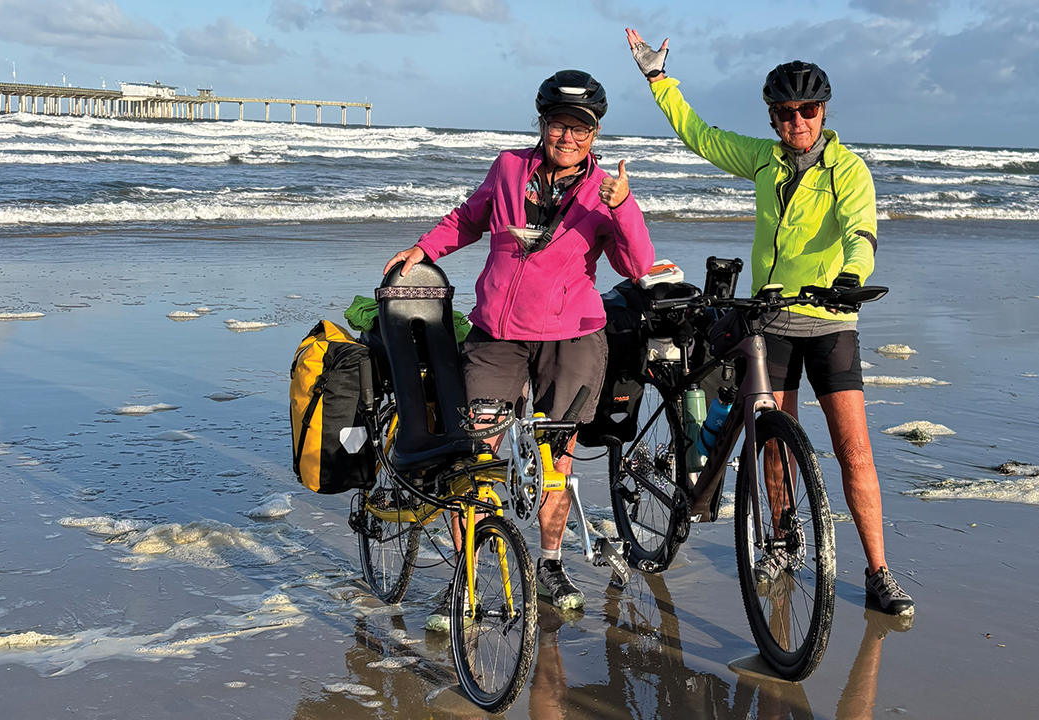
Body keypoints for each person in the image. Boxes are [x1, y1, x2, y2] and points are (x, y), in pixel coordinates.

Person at [626, 29, 914, 616]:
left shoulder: (847, 170)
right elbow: (700, 137)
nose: (796, 121)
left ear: (823, 111)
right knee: (773, 447)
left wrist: (852, 278)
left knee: (853, 450)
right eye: (784, 113)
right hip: (772, 322)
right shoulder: (763, 158)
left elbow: (862, 234)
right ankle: (781, 541)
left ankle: (880, 572)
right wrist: (659, 80)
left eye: (806, 110)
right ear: (774, 117)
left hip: (832, 321)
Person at [383, 69, 655, 620]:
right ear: (543, 123)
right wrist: (423, 250)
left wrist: (624, 207)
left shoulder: (607, 192)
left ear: (596, 134)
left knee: (558, 461)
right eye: (559, 125)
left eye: (582, 129)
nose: (569, 138)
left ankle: (550, 565)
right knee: (476, 456)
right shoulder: (509, 168)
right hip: (497, 337)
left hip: (572, 337)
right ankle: (469, 574)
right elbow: (468, 218)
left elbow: (637, 265)